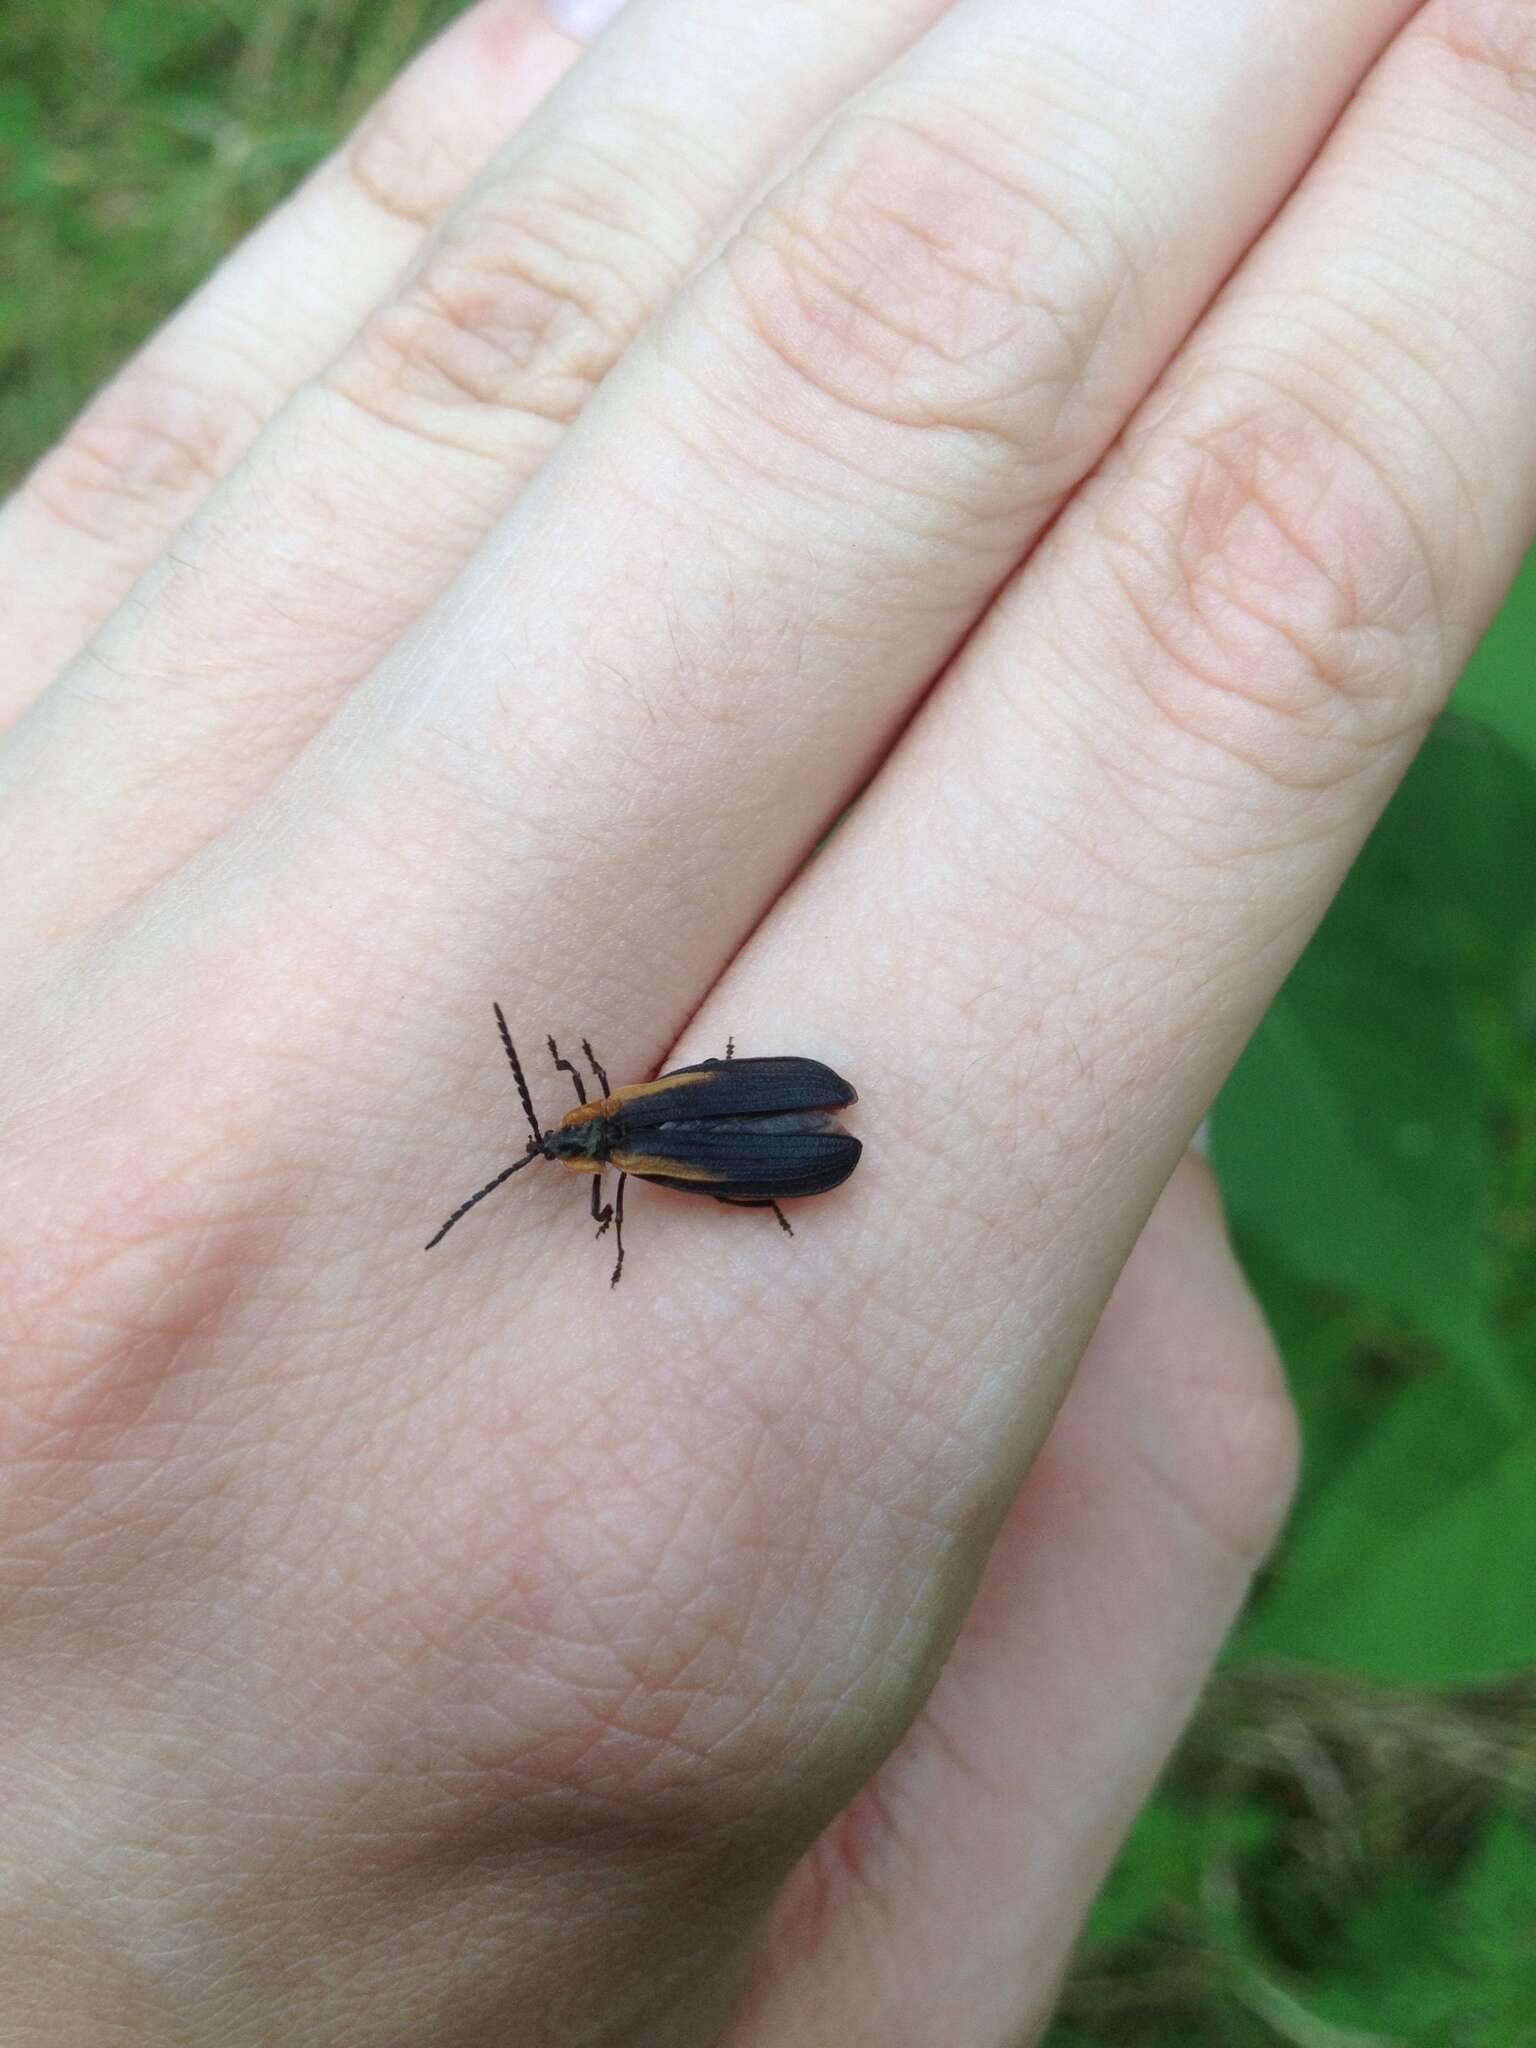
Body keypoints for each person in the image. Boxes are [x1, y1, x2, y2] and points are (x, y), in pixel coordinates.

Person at [1, 0, 1528, 2037]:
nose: (557, 1150)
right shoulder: (616, 1135)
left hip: (751, 1118)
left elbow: (744, 1113)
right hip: (759, 1126)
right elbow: (764, 1128)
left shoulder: (611, 1131)